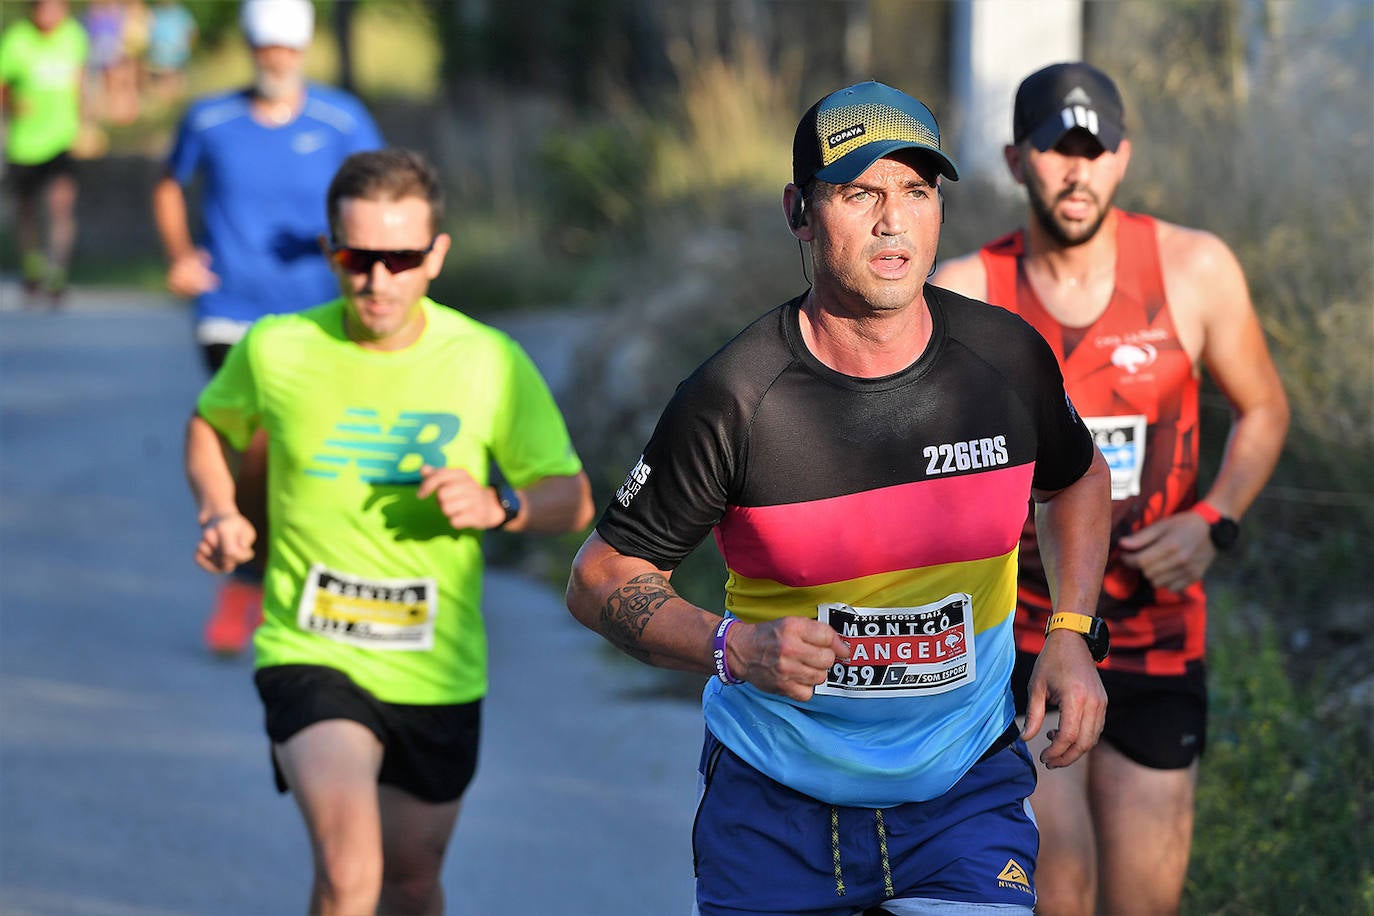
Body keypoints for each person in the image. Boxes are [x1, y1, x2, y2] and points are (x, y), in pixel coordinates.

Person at [566, 80, 1114, 915]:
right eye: (861, 192)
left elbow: (1075, 479)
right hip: (775, 807)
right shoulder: (736, 396)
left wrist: (1071, 630)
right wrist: (733, 649)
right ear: (799, 210)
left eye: (917, 191)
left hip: (961, 795)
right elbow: (600, 573)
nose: (893, 221)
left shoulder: (1008, 359)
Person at [184, 147, 595, 915]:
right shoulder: (277, 347)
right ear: (329, 248)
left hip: (435, 669)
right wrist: (219, 508)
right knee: (350, 873)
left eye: (400, 259)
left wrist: (499, 506)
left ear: (436, 254)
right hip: (311, 648)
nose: (377, 281)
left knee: (410, 883)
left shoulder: (489, 362)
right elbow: (210, 428)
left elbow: (572, 498)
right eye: (357, 256)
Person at [933, 62, 1290, 916]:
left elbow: (1265, 408)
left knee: (1143, 901)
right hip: (1023, 631)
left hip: (1157, 631)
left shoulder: (1195, 269)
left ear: (1122, 158)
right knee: (1057, 890)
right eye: (1057, 150)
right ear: (1016, 160)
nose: (1076, 171)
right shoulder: (966, 293)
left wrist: (1218, 519)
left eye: (1094, 151)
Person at [154, 0, 383, 655]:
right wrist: (178, 256)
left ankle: (324, 583)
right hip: (231, 312)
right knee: (255, 442)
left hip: (323, 311)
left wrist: (344, 241)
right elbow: (169, 183)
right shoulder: (211, 117)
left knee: (319, 450)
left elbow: (381, 193)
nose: (276, 61)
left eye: (287, 49)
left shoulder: (341, 118)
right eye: (265, 50)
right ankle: (244, 584)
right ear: (253, 50)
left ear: (304, 50)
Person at [0, 0, 88, 308]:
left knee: (60, 206)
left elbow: (80, 80)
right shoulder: (17, 39)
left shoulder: (74, 36)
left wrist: (85, 122)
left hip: (61, 137)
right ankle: (32, 267)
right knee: (27, 210)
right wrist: (11, 106)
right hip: (25, 143)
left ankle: (57, 273)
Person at [144, 0, 197, 102]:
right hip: (159, 60)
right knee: (163, 90)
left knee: (177, 89)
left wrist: (186, 47)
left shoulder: (181, 12)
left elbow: (192, 32)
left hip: (178, 58)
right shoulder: (153, 13)